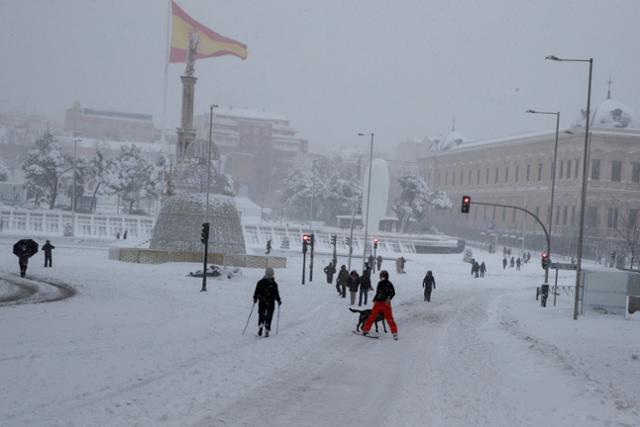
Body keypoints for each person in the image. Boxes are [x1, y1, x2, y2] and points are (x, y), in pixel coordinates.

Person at [362, 270, 398, 340]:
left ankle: (394, 333)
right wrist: (375, 299)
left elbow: (393, 293)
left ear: (386, 277)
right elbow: (378, 292)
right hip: (378, 303)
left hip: (386, 304)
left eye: (383, 276)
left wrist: (389, 299)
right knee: (372, 316)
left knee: (389, 318)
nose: (382, 278)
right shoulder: (379, 283)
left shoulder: (389, 284)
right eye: (381, 276)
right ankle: (365, 330)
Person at [252, 267, 281, 337]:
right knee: (269, 316)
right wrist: (278, 300)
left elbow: (256, 291)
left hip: (262, 301)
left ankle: (261, 325)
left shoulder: (260, 282)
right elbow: (276, 293)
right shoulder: (274, 284)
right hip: (271, 302)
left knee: (261, 314)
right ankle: (267, 329)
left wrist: (255, 298)